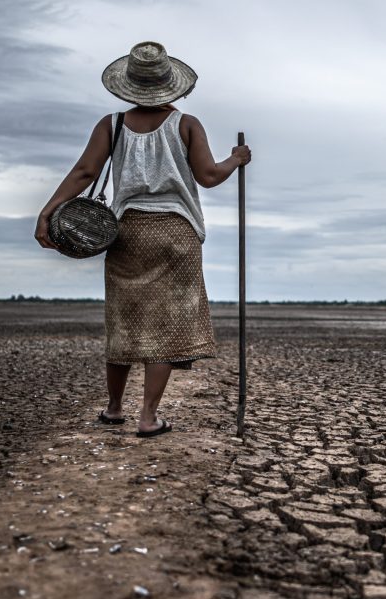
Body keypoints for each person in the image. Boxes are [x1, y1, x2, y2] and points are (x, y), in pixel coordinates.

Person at [35, 41, 251, 437]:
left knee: (123, 320)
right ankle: (148, 417)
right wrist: (235, 160)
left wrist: (49, 210)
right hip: (176, 232)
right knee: (166, 326)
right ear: (172, 85)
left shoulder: (112, 124)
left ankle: (114, 408)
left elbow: (85, 172)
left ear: (129, 85)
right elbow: (208, 176)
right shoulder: (186, 124)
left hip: (127, 231)